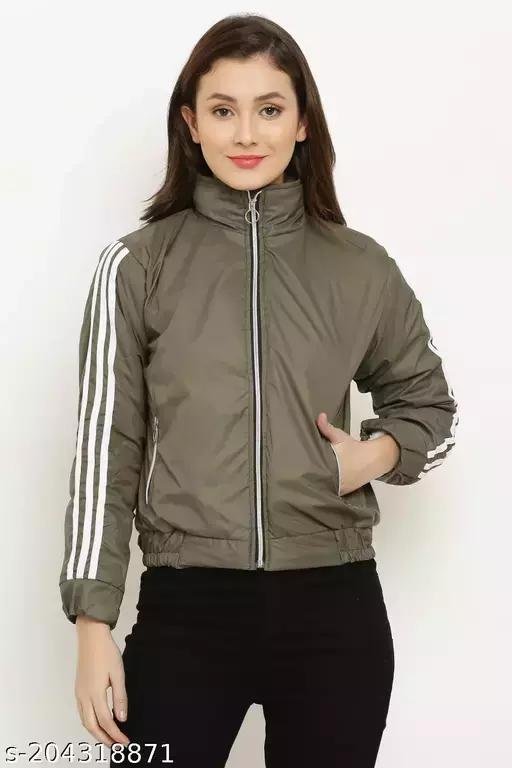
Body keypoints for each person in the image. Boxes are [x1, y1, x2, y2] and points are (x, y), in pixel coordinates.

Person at [58, 13, 458, 768]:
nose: (247, 133)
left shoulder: (359, 267)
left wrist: (373, 455)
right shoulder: (137, 267)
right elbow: (105, 452)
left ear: (302, 123)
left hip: (335, 611)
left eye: (269, 109)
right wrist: (93, 625)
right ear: (191, 124)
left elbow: (431, 407)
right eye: (223, 110)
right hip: (185, 612)